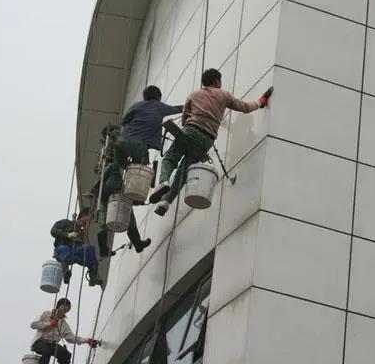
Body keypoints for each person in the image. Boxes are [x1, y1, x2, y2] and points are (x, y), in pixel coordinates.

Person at [150, 68, 274, 216]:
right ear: (216, 81)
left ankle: (164, 182)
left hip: (191, 131)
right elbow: (245, 108)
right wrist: (261, 101)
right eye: (220, 81)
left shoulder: (194, 95)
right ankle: (165, 202)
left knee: (170, 159)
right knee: (183, 173)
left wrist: (189, 125)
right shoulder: (224, 96)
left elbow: (184, 118)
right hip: (206, 141)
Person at [87, 85, 183, 251]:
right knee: (140, 169)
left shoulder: (135, 107)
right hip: (137, 146)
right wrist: (189, 105)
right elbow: (175, 109)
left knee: (120, 169)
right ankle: (142, 193)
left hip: (122, 144)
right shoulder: (158, 106)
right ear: (158, 97)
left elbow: (124, 121)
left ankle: (134, 243)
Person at [30, 298, 99, 364]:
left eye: (67, 309)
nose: (65, 310)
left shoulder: (63, 324)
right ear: (58, 306)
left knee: (66, 355)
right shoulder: (47, 314)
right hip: (39, 342)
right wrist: (48, 324)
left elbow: (72, 338)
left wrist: (87, 340)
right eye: (64, 307)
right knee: (47, 350)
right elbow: (33, 324)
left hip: (52, 345)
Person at [51, 208, 103, 286]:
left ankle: (93, 277)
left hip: (75, 252)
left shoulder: (81, 233)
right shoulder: (65, 222)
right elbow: (53, 231)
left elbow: (81, 246)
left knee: (89, 249)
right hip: (62, 251)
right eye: (85, 221)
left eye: (86, 223)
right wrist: (67, 235)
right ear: (81, 216)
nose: (84, 224)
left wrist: (80, 237)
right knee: (65, 249)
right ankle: (66, 273)